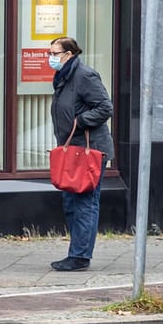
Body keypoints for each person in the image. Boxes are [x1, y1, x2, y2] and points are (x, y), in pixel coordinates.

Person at [46, 36, 114, 272]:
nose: (50, 58)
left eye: (54, 54)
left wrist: (81, 121)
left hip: (90, 151)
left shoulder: (84, 75)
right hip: (72, 150)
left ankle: (80, 256)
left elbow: (106, 107)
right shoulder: (63, 77)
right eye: (49, 53)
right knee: (71, 203)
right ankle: (76, 252)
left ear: (69, 54)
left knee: (85, 202)